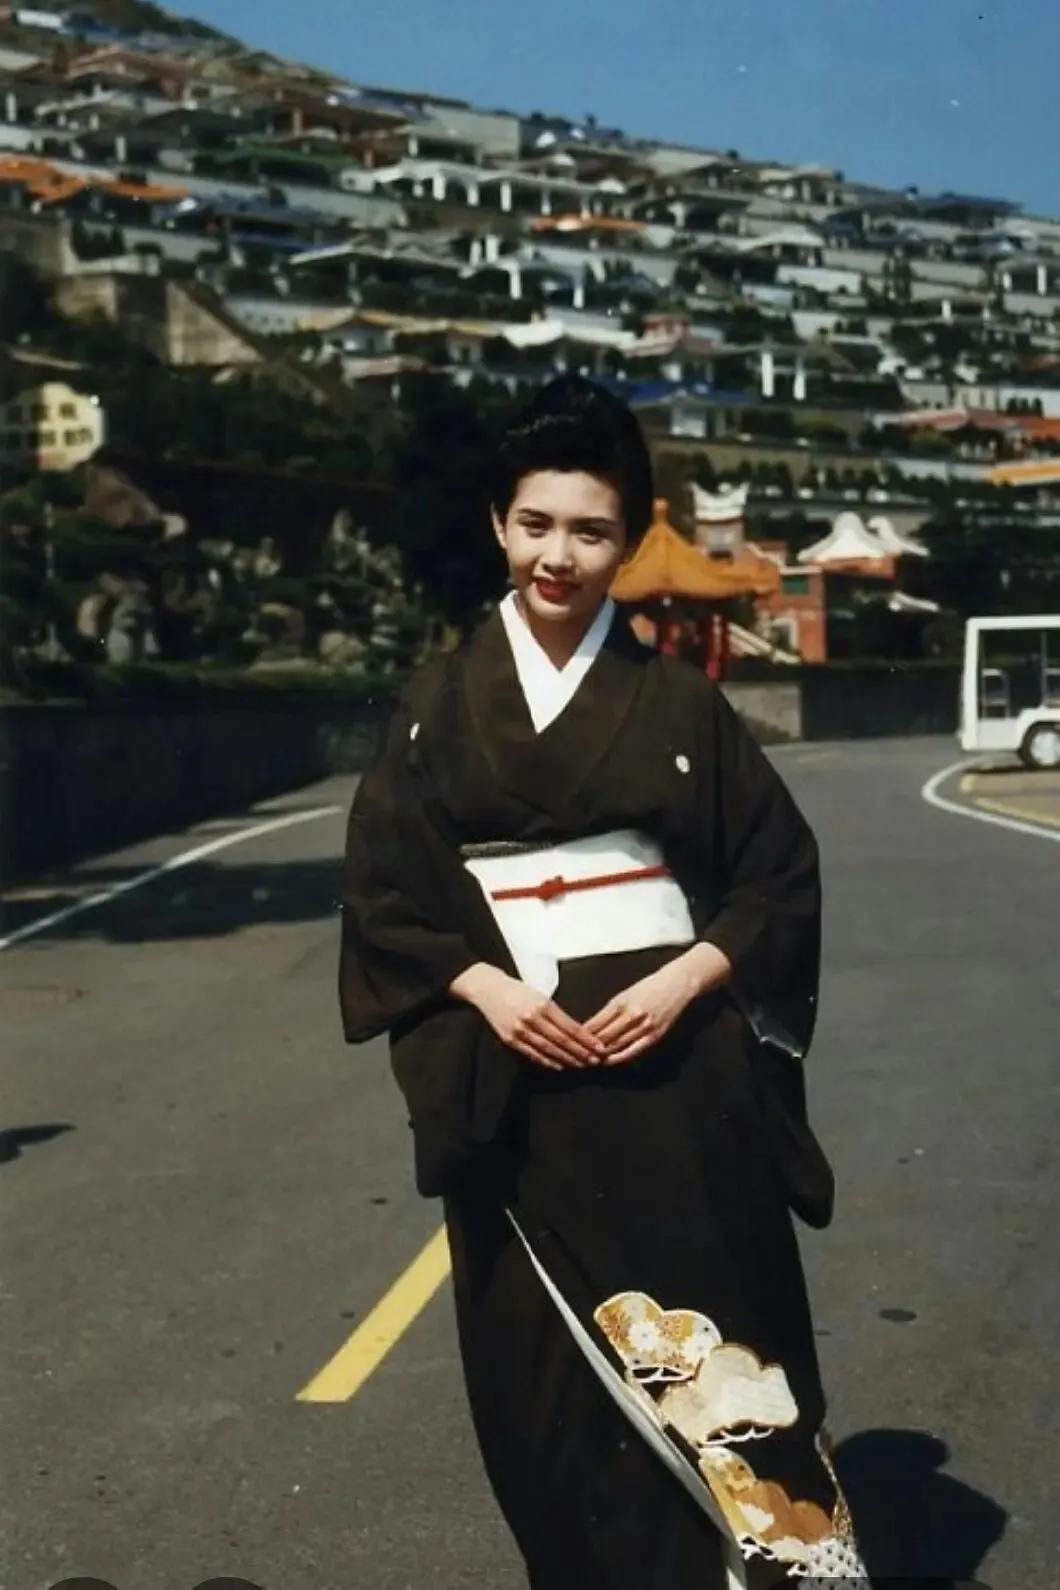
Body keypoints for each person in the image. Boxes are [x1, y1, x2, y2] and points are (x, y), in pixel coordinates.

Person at [338, 375, 868, 1589]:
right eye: (535, 524)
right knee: (543, 1399)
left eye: (590, 531)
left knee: (721, 1357)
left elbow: (777, 875)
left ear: (628, 542)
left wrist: (688, 977)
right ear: (498, 524)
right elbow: (383, 892)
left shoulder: (676, 702)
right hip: (512, 1088)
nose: (558, 557)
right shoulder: (435, 704)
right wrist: (485, 989)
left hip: (676, 1084)